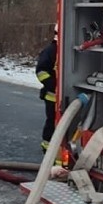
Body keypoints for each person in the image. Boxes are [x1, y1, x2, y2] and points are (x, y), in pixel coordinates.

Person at [35, 24, 58, 154]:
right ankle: (48, 150)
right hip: (52, 97)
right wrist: (54, 86)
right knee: (52, 124)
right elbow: (41, 72)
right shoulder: (50, 51)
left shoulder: (65, 50)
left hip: (66, 98)